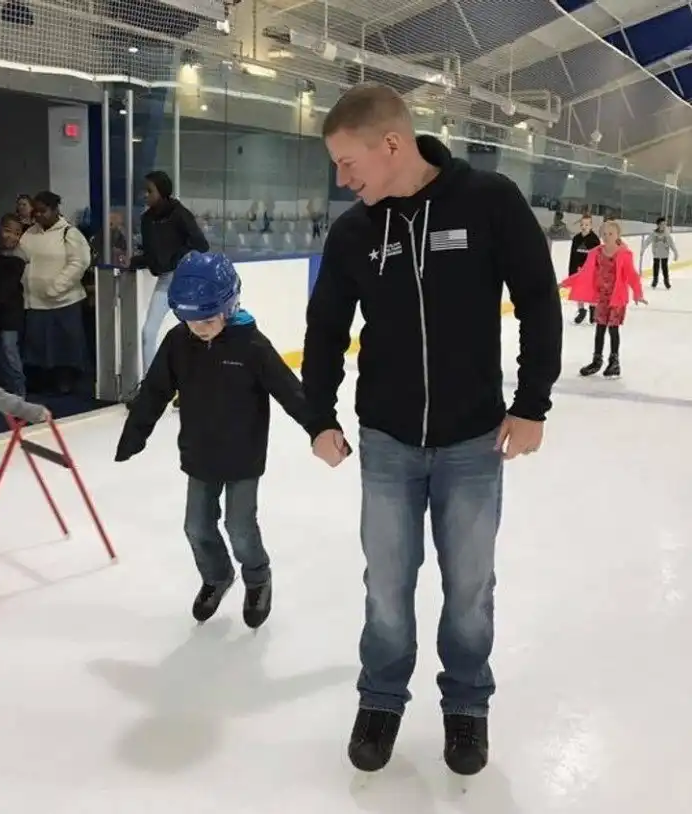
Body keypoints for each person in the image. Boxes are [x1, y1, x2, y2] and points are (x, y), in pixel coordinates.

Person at [301, 82, 563, 776]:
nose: (342, 178)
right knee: (386, 587)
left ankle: (467, 704)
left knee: (470, 589)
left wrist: (532, 404)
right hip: (387, 442)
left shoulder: (489, 202)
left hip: (473, 442)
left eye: (348, 162)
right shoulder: (354, 232)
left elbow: (539, 299)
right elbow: (324, 330)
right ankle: (381, 698)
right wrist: (318, 415)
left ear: (391, 144)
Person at [115, 251, 315, 627]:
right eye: (190, 321)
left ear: (229, 306)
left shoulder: (251, 346)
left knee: (240, 527)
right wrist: (134, 435)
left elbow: (291, 392)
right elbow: (155, 391)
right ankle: (217, 576)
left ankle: (258, 578)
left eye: (207, 320)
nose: (199, 328)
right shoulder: (178, 342)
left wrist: (319, 428)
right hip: (199, 452)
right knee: (196, 526)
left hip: (243, 455)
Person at [129, 171, 209, 384]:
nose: (145, 195)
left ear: (163, 192)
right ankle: (151, 384)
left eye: (150, 191)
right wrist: (137, 261)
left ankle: (199, 380)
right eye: (144, 190)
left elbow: (201, 244)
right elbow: (152, 254)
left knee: (195, 332)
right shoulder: (147, 219)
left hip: (185, 280)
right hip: (164, 281)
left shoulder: (179, 214)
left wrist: (176, 258)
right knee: (148, 332)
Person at [20, 191, 92, 395]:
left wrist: (56, 287)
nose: (38, 215)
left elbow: (79, 263)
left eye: (43, 211)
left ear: (55, 210)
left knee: (65, 344)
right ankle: (43, 380)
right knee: (38, 344)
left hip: (64, 300)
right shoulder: (29, 233)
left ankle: (66, 380)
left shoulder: (69, 233)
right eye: (36, 211)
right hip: (34, 301)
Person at [561, 219, 646, 379]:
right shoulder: (596, 253)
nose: (607, 237)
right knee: (600, 329)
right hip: (601, 298)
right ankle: (597, 360)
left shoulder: (624, 254)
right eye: (604, 234)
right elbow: (584, 274)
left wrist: (638, 293)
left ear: (618, 235)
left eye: (611, 234)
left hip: (617, 298)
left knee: (613, 329)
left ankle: (614, 362)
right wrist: (565, 283)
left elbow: (632, 275)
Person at [0, 214, 27, 396]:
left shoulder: (17, 259)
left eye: (17, 233)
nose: (11, 236)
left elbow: (3, 290)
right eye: (7, 231)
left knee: (10, 353)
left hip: (10, 316)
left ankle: (20, 394)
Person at [567, 214, 600, 325]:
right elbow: (572, 255)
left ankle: (593, 310)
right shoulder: (576, 239)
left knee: (591, 291)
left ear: (591, 226)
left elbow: (597, 257)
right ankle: (581, 311)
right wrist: (572, 272)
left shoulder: (595, 240)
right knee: (579, 290)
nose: (584, 227)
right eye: (582, 224)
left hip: (591, 270)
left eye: (587, 224)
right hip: (578, 270)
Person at [640, 217, 678, 289]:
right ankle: (655, 280)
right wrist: (643, 249)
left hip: (664, 254)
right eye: (662, 224)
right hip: (656, 253)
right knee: (656, 267)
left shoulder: (667, 234)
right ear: (658, 225)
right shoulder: (653, 234)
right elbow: (647, 242)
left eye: (665, 224)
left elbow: (672, 244)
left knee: (664, 267)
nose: (664, 226)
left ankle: (666, 281)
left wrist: (675, 253)